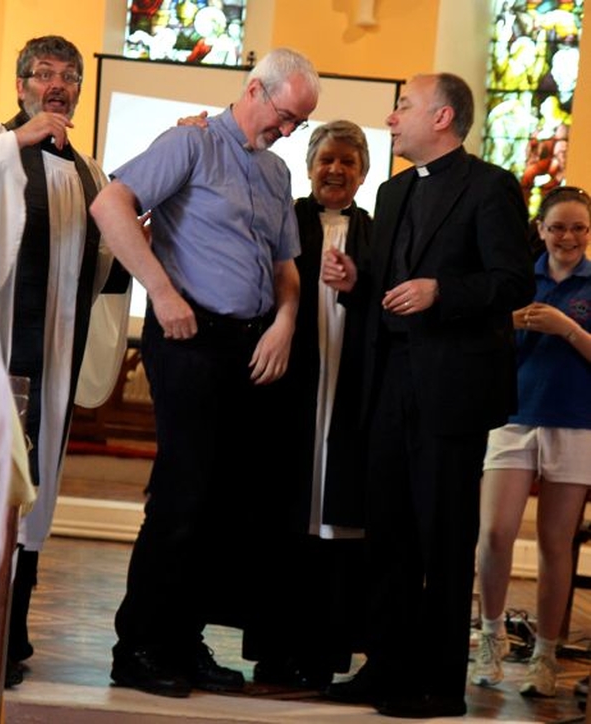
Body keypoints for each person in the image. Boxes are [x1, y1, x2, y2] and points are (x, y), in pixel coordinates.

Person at [90, 47, 320, 698]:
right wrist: (162, 295)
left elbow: (286, 270)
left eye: (299, 123)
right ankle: (136, 648)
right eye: (286, 116)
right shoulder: (188, 143)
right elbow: (111, 205)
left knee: (222, 509)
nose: (288, 132)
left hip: (249, 346)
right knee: (182, 500)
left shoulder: (276, 173)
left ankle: (182, 645)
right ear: (255, 90)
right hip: (190, 339)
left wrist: (284, 322)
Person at [322, 73, 535, 718]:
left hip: (452, 387)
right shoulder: (389, 193)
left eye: (404, 107)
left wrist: (442, 290)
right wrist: (358, 280)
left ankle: (439, 684)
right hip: (389, 383)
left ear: (442, 117)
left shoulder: (491, 186)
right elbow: (389, 288)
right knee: (387, 532)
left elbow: (512, 282)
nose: (392, 118)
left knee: (441, 537)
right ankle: (385, 667)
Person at [0, 35, 131, 686]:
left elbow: (107, 267)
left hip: (54, 357)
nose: (57, 86)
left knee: (36, 494)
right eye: (44, 75)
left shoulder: (89, 170)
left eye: (69, 77)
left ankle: (12, 628)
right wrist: (15, 145)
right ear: (22, 84)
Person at [243, 120, 371, 689]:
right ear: (309, 165)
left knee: (337, 525)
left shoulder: (376, 231)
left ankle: (322, 654)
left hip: (348, 396)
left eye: (347, 162)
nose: (335, 170)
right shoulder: (285, 218)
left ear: (362, 173)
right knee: (280, 516)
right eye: (326, 160)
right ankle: (274, 652)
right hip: (288, 394)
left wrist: (360, 284)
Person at [472, 185, 591, 698]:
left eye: (579, 228)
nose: (568, 236)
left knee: (554, 544)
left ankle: (545, 654)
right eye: (558, 226)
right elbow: (479, 342)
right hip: (513, 414)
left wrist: (569, 329)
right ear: (540, 230)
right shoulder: (519, 278)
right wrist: (510, 321)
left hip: (576, 421)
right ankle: (491, 638)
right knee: (495, 533)